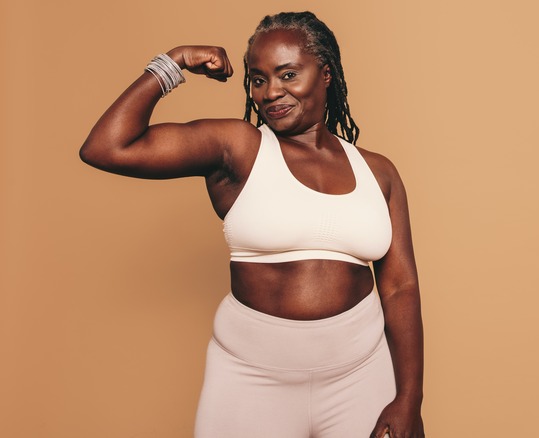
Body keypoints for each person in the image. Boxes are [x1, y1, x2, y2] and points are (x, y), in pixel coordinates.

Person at [80, 11, 424, 438]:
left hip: (360, 376)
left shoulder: (379, 172)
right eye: (258, 79)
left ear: (326, 74)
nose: (271, 92)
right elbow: (106, 147)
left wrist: (409, 396)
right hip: (250, 380)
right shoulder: (238, 147)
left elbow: (399, 286)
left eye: (288, 74)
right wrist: (175, 62)